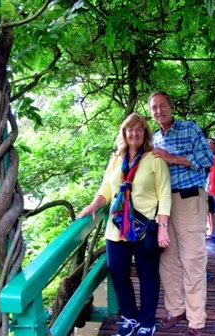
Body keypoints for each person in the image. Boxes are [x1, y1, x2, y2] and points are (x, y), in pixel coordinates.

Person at [78, 113, 172, 336]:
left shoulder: (154, 158)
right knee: (118, 273)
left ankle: (147, 321)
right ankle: (130, 317)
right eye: (130, 129)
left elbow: (165, 194)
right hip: (116, 228)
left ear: (145, 134)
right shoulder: (116, 160)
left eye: (139, 129)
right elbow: (106, 190)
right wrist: (93, 205)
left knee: (148, 276)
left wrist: (163, 226)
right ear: (124, 133)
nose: (134, 133)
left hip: (144, 228)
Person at [148, 92, 214, 336]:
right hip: (163, 206)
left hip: (189, 199)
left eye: (162, 105)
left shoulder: (190, 129)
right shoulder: (153, 139)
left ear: (171, 106)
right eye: (154, 108)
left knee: (192, 259)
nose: (158, 111)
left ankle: (196, 319)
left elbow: (207, 158)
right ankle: (176, 309)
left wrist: (171, 158)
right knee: (168, 259)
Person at [205, 136, 215, 239]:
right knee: (209, 210)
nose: (209, 144)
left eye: (211, 143)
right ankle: (211, 230)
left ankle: (213, 231)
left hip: (213, 186)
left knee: (212, 210)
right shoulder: (210, 156)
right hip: (208, 185)